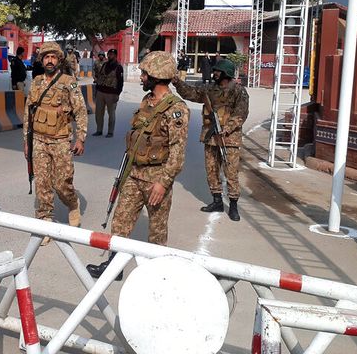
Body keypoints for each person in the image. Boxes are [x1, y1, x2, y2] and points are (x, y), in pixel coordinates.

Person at [87, 51, 190, 279]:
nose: (141, 77)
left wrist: (163, 183)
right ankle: (114, 267)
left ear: (155, 75)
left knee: (157, 230)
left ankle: (158, 274)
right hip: (135, 174)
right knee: (121, 220)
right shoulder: (147, 101)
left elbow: (177, 153)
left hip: (157, 177)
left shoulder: (176, 110)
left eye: (144, 73)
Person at [23, 42, 87, 245]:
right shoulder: (36, 83)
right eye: (46, 57)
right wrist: (27, 140)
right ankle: (45, 222)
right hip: (39, 140)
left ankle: (72, 203)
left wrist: (81, 137)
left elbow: (80, 111)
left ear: (59, 60)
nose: (49, 60)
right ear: (41, 61)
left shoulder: (69, 82)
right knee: (42, 182)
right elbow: (28, 113)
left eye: (53, 57)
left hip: (60, 140)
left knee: (62, 183)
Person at [173, 59, 249, 221]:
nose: (214, 73)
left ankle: (233, 206)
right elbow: (190, 92)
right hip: (210, 137)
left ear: (226, 73)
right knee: (212, 170)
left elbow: (241, 114)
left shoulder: (238, 91)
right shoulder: (209, 89)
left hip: (230, 139)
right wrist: (177, 82)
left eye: (217, 71)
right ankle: (217, 201)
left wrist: (226, 129)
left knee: (231, 172)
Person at [92, 48, 124, 138]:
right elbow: (99, 76)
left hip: (112, 94)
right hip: (101, 92)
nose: (110, 56)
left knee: (111, 113)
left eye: (112, 54)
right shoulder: (104, 65)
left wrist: (117, 94)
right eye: (109, 54)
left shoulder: (119, 67)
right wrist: (97, 90)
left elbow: (121, 82)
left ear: (115, 56)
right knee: (99, 113)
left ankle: (110, 132)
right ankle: (99, 130)